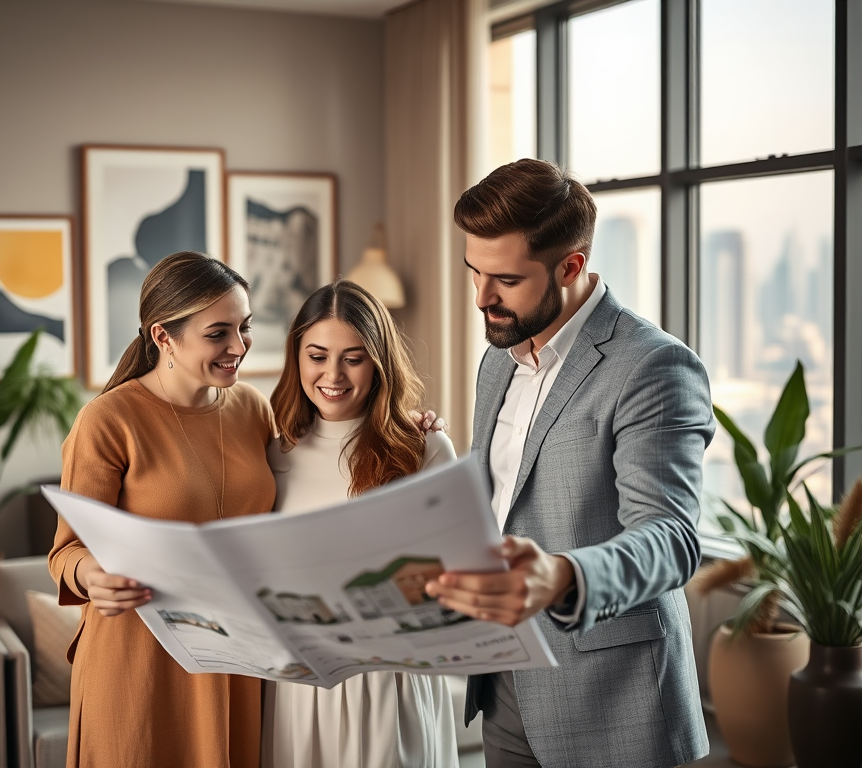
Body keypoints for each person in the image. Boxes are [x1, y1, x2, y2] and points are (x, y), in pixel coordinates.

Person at [424, 158, 714, 768]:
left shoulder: (653, 367)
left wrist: (560, 577)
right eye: (473, 272)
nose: (481, 298)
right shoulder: (498, 359)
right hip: (503, 683)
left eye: (504, 278)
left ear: (571, 266)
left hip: (614, 702)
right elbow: (500, 503)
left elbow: (670, 539)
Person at [49, 251, 275, 768]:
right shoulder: (107, 422)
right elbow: (66, 551)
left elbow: (314, 469)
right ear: (162, 337)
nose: (238, 347)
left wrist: (406, 431)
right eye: (218, 333)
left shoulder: (252, 409)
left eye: (244, 328)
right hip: (140, 659)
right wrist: (92, 575)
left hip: (234, 650)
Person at [263, 279, 460, 768]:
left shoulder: (425, 448)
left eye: (353, 357)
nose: (333, 374)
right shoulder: (270, 449)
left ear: (379, 361)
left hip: (387, 682)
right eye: (317, 355)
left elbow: (452, 575)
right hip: (295, 685)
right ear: (296, 357)